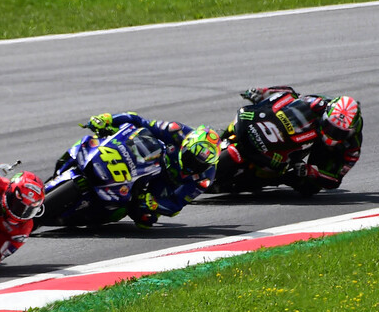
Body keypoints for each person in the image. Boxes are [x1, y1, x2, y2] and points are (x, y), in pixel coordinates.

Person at [82, 112, 220, 228]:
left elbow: (176, 204)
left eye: (201, 164)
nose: (194, 166)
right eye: (191, 158)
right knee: (109, 136)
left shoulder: (204, 179)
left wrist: (156, 204)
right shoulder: (176, 130)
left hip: (163, 183)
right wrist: (109, 119)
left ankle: (101, 210)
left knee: (146, 219)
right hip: (150, 158)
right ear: (185, 146)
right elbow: (138, 120)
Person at [219, 86, 362, 195]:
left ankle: (278, 178)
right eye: (330, 127)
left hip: (323, 152)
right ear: (326, 116)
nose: (333, 134)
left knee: (309, 187)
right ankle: (221, 138)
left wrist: (311, 172)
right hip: (308, 132)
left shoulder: (353, 148)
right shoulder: (318, 104)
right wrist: (263, 93)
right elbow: (291, 96)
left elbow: (335, 180)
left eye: (339, 132)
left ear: (351, 131)